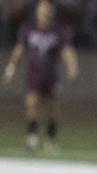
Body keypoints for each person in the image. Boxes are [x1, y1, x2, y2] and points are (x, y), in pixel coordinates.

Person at [2, 0, 78, 153]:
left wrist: (71, 65)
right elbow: (19, 49)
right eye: (43, 8)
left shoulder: (58, 30)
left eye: (48, 9)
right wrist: (11, 67)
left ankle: (51, 140)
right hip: (33, 74)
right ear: (37, 10)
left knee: (53, 110)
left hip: (51, 76)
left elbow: (67, 50)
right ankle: (32, 137)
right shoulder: (29, 28)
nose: (45, 11)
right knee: (32, 104)